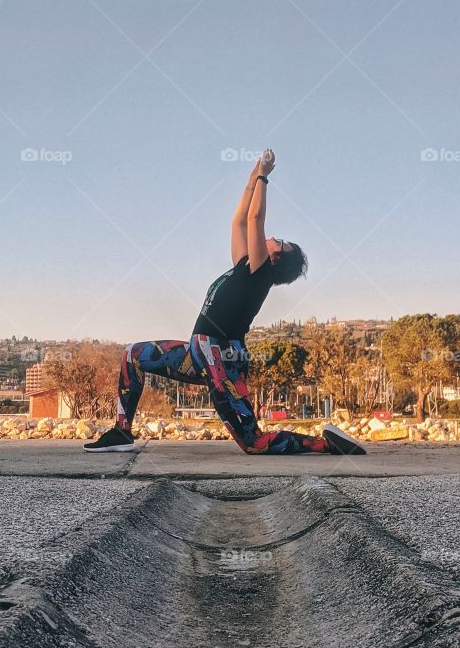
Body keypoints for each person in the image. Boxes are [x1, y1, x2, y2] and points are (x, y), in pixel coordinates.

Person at [84, 149, 365, 455]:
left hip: (221, 355)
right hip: (198, 352)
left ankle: (328, 445)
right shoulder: (245, 267)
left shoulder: (261, 273)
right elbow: (239, 222)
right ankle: (121, 433)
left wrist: (264, 177)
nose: (272, 238)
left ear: (276, 257)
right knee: (132, 355)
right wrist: (251, 178)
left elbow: (255, 218)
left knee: (254, 443)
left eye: (278, 241)